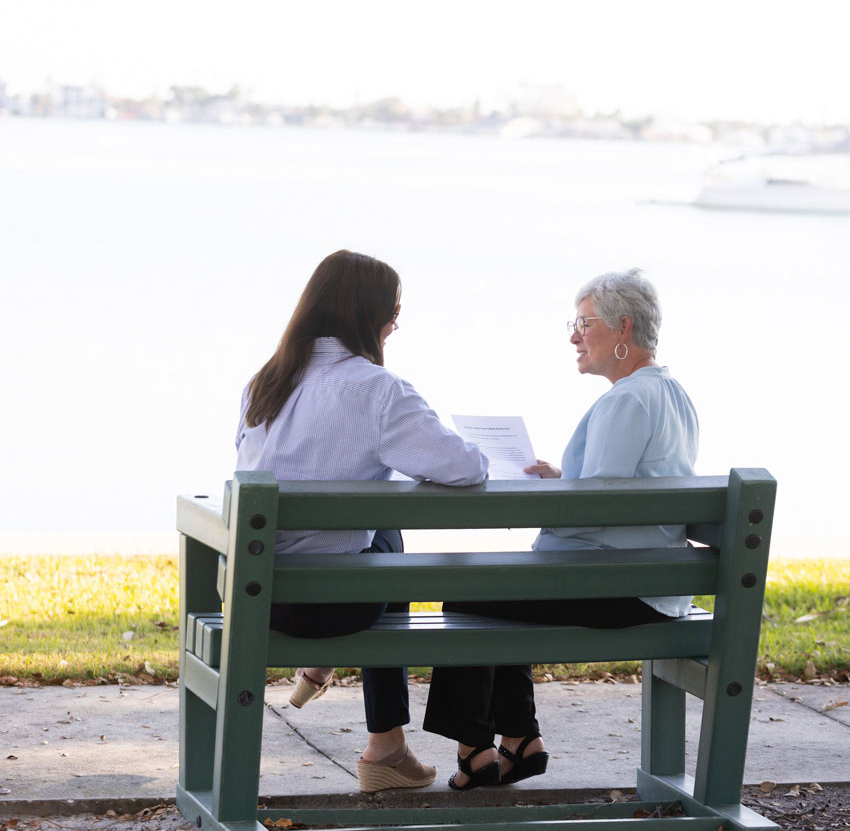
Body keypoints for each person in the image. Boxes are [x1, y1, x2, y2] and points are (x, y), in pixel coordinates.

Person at [423, 268, 699, 790]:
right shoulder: (669, 392)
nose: (574, 335)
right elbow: (622, 487)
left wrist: (542, 494)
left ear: (622, 328)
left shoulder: (625, 400)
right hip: (651, 582)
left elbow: (592, 511)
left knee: (464, 595)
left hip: (621, 588)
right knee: (498, 593)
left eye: (583, 323)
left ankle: (482, 748)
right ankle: (519, 741)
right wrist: (562, 479)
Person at [234, 249, 488, 793]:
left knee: (377, 539)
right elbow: (465, 468)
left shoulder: (263, 383)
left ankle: (359, 714)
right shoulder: (378, 389)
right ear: (368, 314)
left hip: (261, 597)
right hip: (333, 606)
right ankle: (384, 746)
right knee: (386, 536)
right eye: (394, 311)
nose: (397, 322)